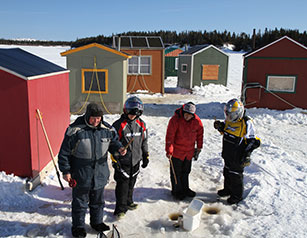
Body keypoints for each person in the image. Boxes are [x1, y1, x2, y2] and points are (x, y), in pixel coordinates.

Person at [58, 102, 126, 238]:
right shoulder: (75, 130)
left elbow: (113, 143)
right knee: (80, 203)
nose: (96, 121)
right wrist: (66, 171)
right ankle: (78, 227)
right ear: (87, 116)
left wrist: (119, 149)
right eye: (93, 118)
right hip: (81, 174)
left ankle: (97, 222)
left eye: (99, 118)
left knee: (98, 202)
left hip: (100, 173)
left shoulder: (107, 129)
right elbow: (64, 153)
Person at [214, 98, 260, 205]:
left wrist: (247, 154)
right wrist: (220, 127)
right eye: (227, 114)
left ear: (238, 113)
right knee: (227, 172)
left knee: (235, 176)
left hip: (238, 155)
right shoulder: (229, 120)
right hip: (228, 152)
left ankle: (236, 196)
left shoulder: (246, 122)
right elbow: (226, 131)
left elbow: (253, 141)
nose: (229, 117)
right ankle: (227, 190)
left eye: (231, 114)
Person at [111, 96, 149, 219]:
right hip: (122, 161)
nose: (132, 116)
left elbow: (144, 141)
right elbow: (112, 144)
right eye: (130, 113)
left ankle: (129, 201)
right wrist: (115, 158)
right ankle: (120, 209)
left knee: (131, 183)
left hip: (135, 160)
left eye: (135, 114)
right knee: (122, 185)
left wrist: (145, 155)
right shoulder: (118, 125)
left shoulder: (141, 124)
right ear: (126, 111)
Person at [165, 102, 204, 200]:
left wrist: (199, 148)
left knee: (186, 171)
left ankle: (185, 188)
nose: (187, 117)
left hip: (189, 152)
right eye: (186, 114)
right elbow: (170, 137)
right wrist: (169, 151)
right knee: (176, 173)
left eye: (190, 115)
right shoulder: (175, 120)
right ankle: (177, 191)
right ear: (183, 112)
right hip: (177, 152)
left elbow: (200, 135)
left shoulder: (196, 121)